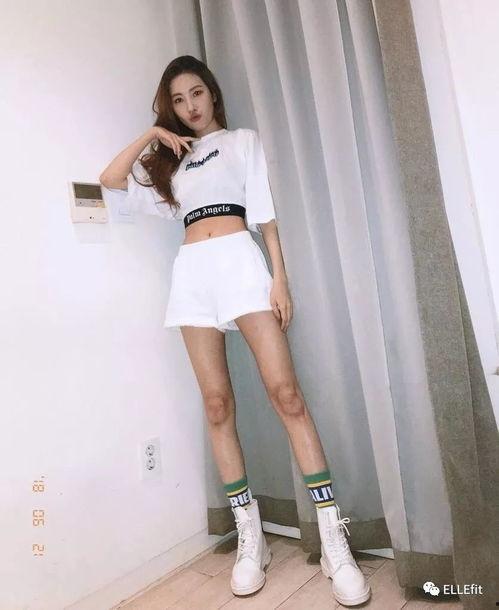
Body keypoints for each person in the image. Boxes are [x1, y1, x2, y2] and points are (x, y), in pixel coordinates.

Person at [99, 55, 371, 606]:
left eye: (196, 93)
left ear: (213, 93)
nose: (190, 106)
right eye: (178, 100)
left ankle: (332, 538)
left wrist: (279, 279)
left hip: (242, 266)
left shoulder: (243, 141)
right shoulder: (170, 161)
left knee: (286, 395)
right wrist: (153, 135)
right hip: (193, 275)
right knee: (217, 405)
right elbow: (109, 179)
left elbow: (265, 215)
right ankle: (251, 538)